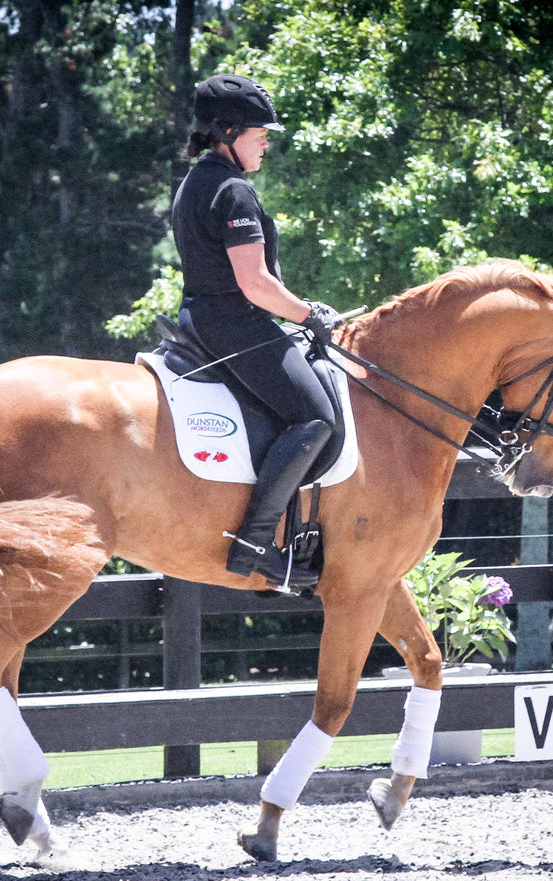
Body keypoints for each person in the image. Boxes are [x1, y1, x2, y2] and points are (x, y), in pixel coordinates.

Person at [171, 73, 341, 590]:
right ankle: (256, 544)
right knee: (316, 418)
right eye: (258, 132)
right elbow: (255, 283)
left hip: (202, 315)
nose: (267, 139)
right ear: (227, 131)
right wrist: (308, 313)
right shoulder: (233, 191)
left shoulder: (195, 181)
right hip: (236, 322)